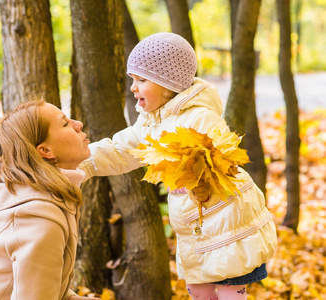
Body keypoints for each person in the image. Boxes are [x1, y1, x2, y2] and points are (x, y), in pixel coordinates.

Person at [78, 33, 277, 299]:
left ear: (166, 85)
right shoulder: (151, 122)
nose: (133, 88)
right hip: (196, 226)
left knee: (229, 283)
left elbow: (221, 157)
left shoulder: (200, 117)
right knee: (197, 287)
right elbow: (121, 149)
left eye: (141, 80)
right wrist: (84, 163)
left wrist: (195, 177)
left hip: (225, 219)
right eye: (132, 80)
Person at [0, 99, 99, 300]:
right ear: (45, 151)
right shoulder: (39, 218)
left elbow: (44, 288)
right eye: (65, 124)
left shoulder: (34, 196)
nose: (78, 124)